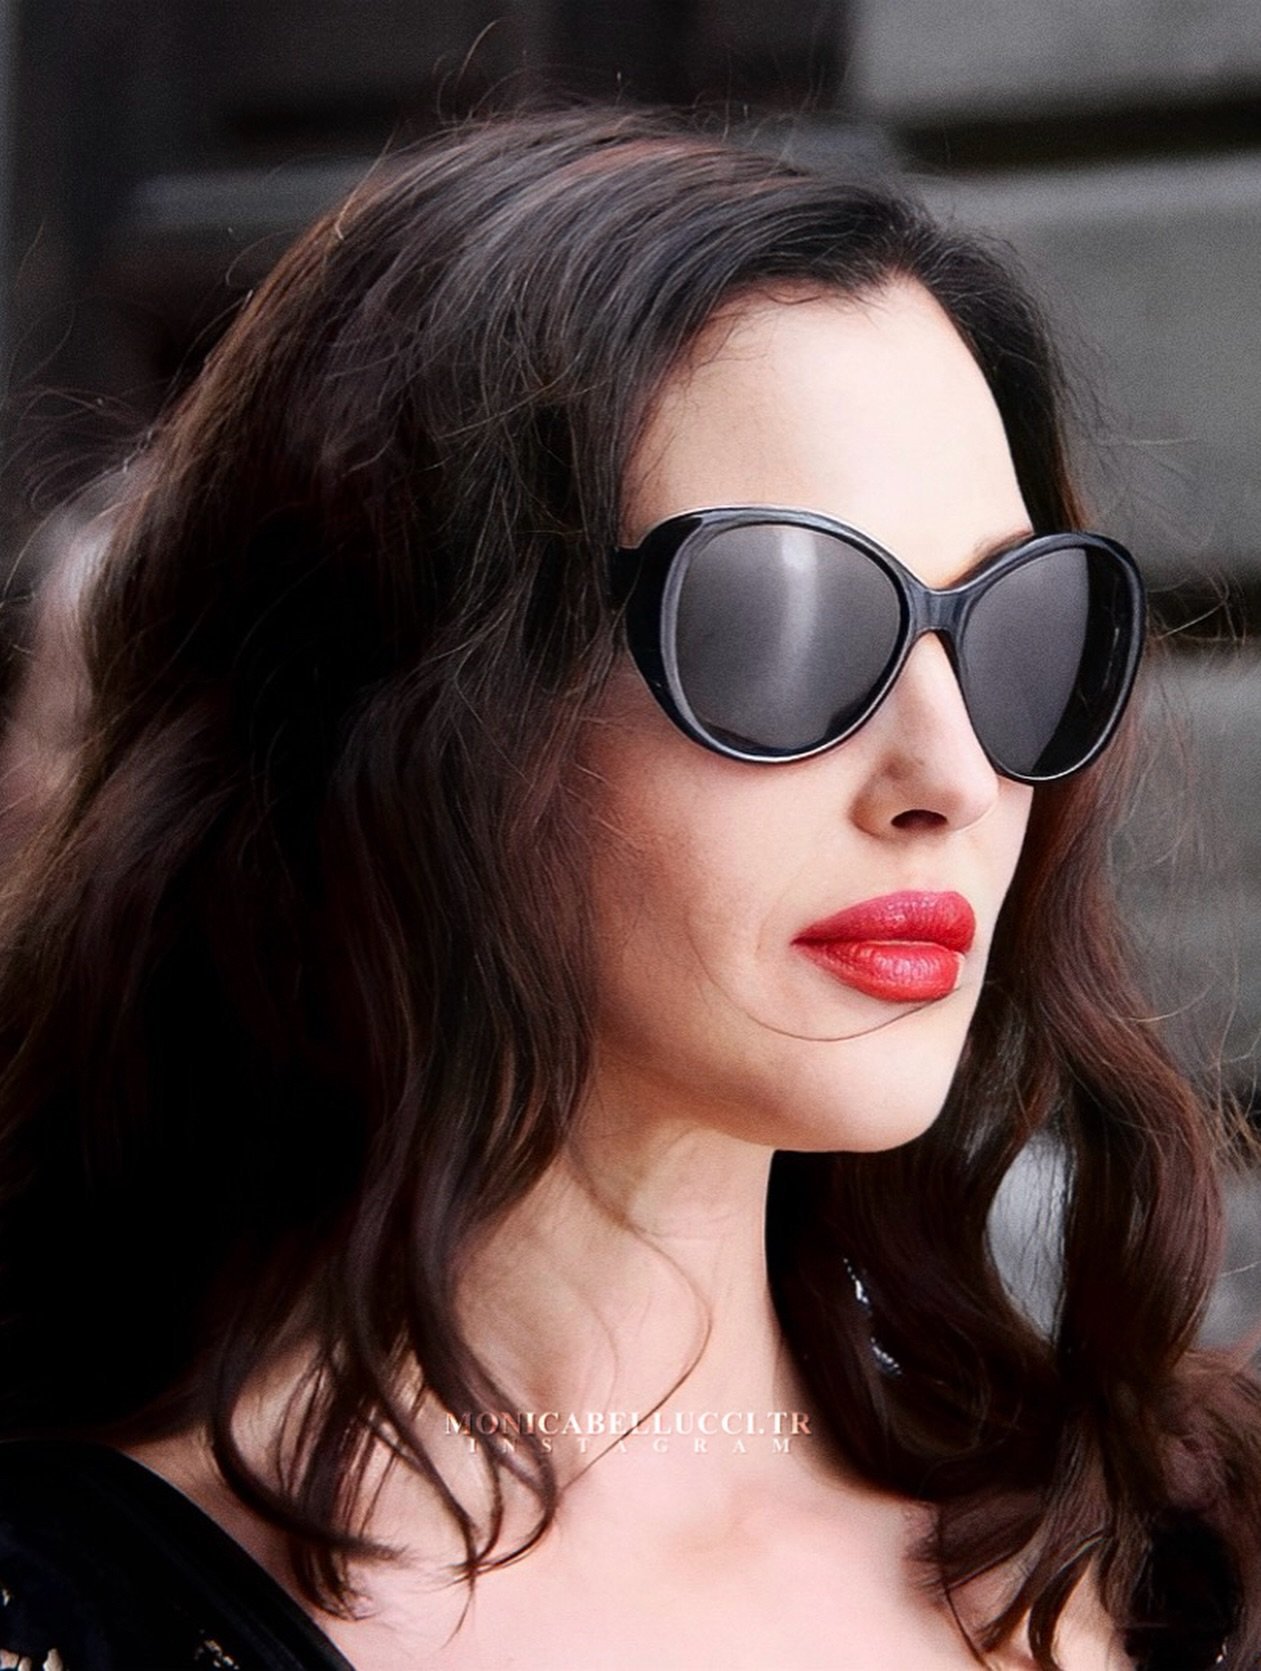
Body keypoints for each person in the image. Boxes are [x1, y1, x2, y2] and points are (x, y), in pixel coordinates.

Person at [0, 104, 1257, 1671]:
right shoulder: (69, 1613)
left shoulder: (1179, 1564)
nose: (948, 773)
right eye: (780, 623)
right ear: (427, 694)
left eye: (1018, 627)